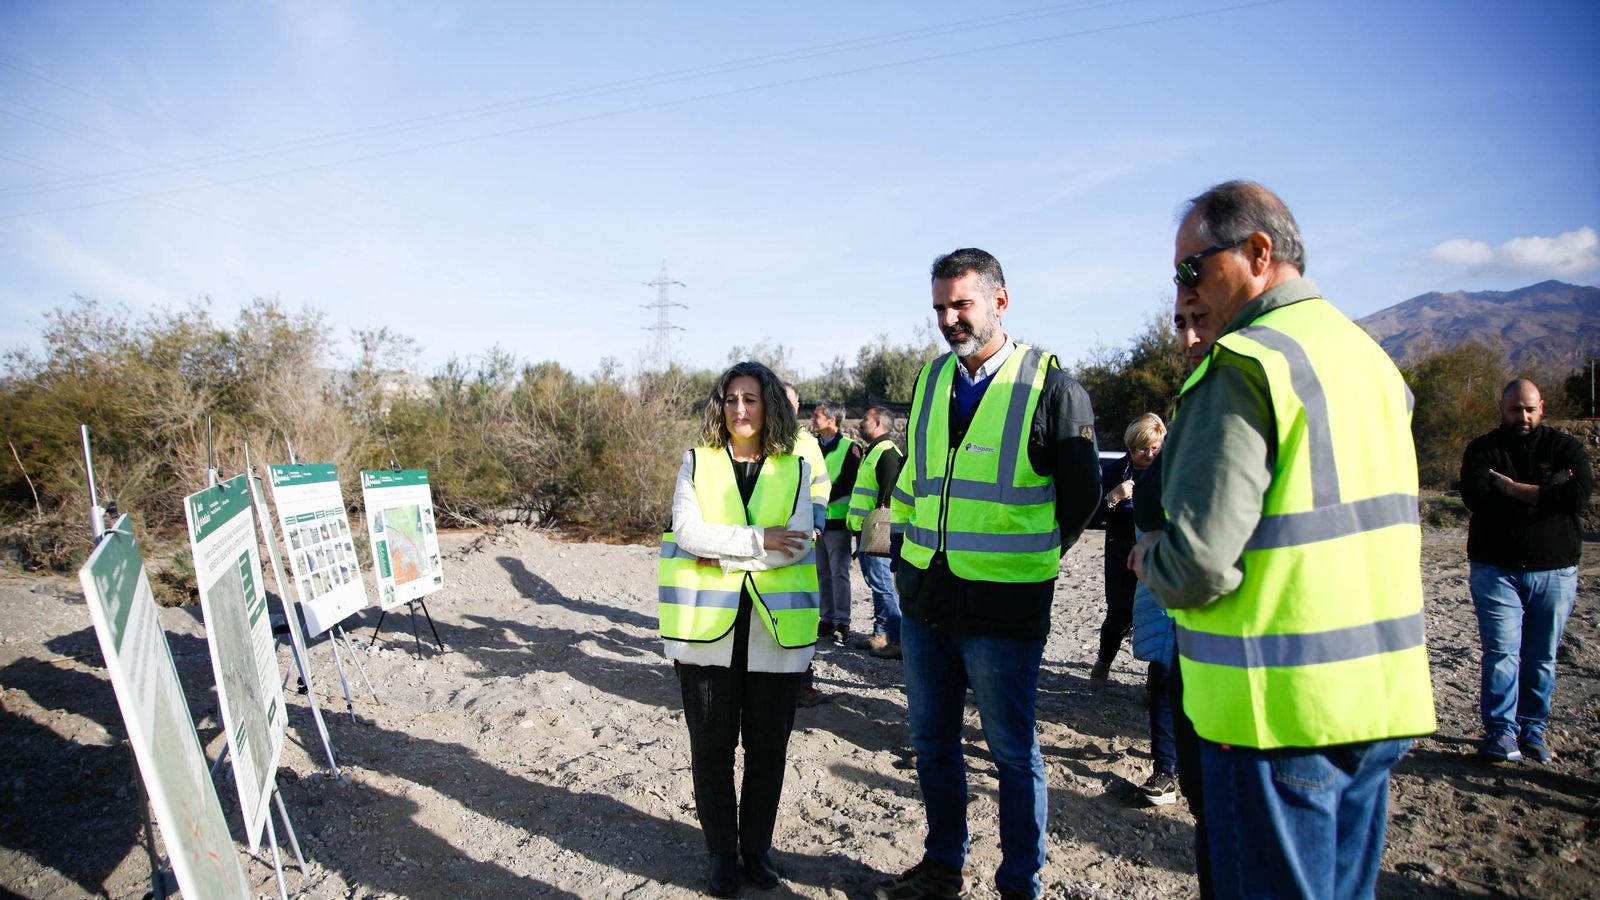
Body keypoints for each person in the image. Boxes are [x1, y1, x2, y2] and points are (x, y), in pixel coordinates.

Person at [1132, 181, 1436, 900]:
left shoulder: (1244, 364)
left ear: (1259, 253)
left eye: (1191, 268)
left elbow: (1199, 563)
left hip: (1274, 716)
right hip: (1377, 702)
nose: (1183, 289)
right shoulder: (1369, 360)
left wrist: (1150, 559)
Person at [878, 248, 1100, 900]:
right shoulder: (929, 381)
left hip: (1004, 609)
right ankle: (943, 867)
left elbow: (1081, 496)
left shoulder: (1051, 388)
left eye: (962, 304)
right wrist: (905, 561)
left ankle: (1018, 886)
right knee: (933, 744)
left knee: (1011, 753)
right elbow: (916, 481)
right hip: (927, 599)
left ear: (1000, 302)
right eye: (939, 307)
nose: (949, 318)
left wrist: (1032, 556)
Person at [657, 360, 820, 897]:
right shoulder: (696, 462)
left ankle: (757, 850)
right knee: (711, 749)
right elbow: (688, 531)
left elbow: (795, 544)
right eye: (731, 399)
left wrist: (720, 554)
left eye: (750, 399)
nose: (740, 409)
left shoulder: (795, 469)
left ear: (769, 405)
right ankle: (721, 855)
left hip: (775, 636)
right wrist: (756, 540)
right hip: (706, 633)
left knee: (768, 751)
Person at [1127, 293, 1224, 896]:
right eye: (1180, 324)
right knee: (1164, 678)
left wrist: (1155, 553)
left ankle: (1173, 769)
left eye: (1199, 321)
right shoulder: (1199, 411)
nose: (1188, 337)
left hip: (1218, 617)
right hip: (1168, 588)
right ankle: (1168, 768)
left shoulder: (1223, 406)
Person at [1459, 378, 1593, 762]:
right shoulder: (1483, 449)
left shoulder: (1565, 447)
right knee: (1501, 653)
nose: (1523, 416)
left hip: (1555, 570)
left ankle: (1533, 729)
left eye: (1530, 409)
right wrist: (1547, 492)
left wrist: (1512, 488)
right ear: (1501, 409)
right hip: (1495, 569)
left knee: (1542, 656)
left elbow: (1577, 496)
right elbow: (1477, 497)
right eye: (1515, 409)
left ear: (1541, 408)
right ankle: (1501, 732)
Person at [1087, 413, 1165, 691]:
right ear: (1130, 447)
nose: (1149, 454)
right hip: (1120, 552)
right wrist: (1113, 498)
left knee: (1159, 615)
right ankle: (1103, 662)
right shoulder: (1113, 473)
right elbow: (1090, 517)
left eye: (1155, 448)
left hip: (1157, 553)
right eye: (1142, 448)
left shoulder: (1170, 472)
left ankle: (1154, 685)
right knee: (1119, 614)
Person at [784, 382, 833, 708]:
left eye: (789, 401)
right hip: (759, 539)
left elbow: (820, 486)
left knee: (799, 612)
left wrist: (815, 524)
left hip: (797, 541)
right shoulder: (754, 436)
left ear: (797, 406)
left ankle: (801, 684)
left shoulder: (806, 443)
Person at [847, 404, 906, 658]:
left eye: (866, 419)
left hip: (877, 528)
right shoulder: (874, 450)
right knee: (876, 583)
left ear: (879, 424)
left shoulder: (887, 452)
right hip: (867, 528)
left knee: (883, 584)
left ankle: (897, 639)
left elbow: (889, 495)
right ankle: (881, 634)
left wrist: (879, 528)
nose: (860, 422)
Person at [811, 400, 865, 643]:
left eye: (817, 416)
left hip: (838, 522)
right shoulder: (812, 447)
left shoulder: (851, 448)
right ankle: (826, 618)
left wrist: (818, 497)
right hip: (815, 524)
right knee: (821, 572)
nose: (813, 419)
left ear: (831, 421)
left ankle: (842, 621)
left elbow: (847, 483)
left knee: (839, 573)